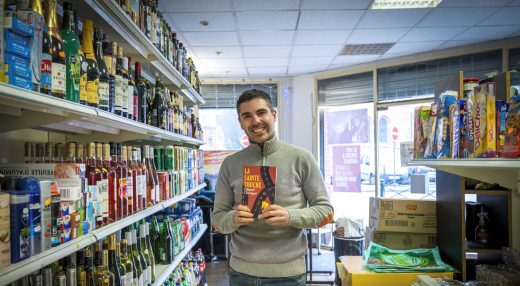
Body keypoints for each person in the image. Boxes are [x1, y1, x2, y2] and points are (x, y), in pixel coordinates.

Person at [211, 89, 334, 286]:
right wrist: (232, 219)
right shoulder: (230, 164)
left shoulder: (301, 158)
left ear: (273, 115)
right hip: (241, 274)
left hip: (289, 275)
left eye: (261, 113)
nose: (256, 121)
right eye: (247, 116)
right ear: (240, 122)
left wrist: (291, 216)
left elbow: (326, 212)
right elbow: (217, 220)